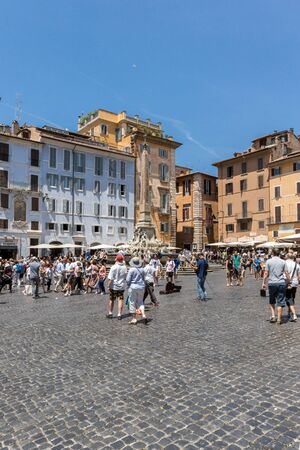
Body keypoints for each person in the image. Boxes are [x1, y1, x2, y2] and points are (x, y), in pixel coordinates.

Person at [262, 248, 287, 324]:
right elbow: (286, 272)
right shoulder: (283, 261)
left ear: (272, 253)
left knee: (272, 300)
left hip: (272, 283)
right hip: (281, 283)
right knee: (280, 300)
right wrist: (289, 281)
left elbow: (266, 273)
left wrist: (263, 282)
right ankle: (279, 319)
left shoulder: (268, 261)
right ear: (279, 253)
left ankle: (273, 316)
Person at [126, 256, 147, 324]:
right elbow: (144, 279)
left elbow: (127, 280)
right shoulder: (142, 269)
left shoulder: (131, 270)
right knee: (140, 302)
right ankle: (143, 315)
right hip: (141, 287)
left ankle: (134, 318)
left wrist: (129, 285)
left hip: (133, 287)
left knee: (132, 302)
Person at [107, 254, 127, 320]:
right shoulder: (125, 267)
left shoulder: (113, 267)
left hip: (114, 286)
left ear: (116, 259)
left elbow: (111, 278)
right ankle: (119, 314)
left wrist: (108, 286)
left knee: (111, 299)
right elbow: (125, 277)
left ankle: (110, 313)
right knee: (120, 300)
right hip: (121, 286)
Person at [284, 252, 299, 322]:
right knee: (292, 297)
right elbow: (299, 275)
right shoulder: (297, 264)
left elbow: (284, 273)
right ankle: (289, 312)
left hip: (287, 282)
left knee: (288, 298)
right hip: (295, 283)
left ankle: (293, 314)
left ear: (287, 257)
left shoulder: (284, 263)